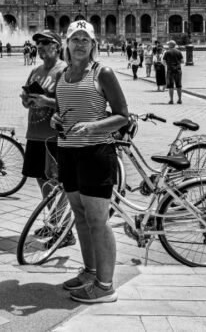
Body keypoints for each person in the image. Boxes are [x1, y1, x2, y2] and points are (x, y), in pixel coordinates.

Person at [51, 20, 130, 304]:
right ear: (67, 43)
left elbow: (123, 116)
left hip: (96, 152)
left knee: (98, 220)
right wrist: (55, 119)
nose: (80, 44)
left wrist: (94, 126)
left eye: (85, 39)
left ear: (93, 44)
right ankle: (90, 272)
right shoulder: (63, 74)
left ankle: (105, 286)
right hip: (68, 151)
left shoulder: (102, 72)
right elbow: (62, 111)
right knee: (80, 216)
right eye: (75, 39)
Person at [20, 29, 71, 245]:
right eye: (38, 43)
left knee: (58, 183)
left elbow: (70, 104)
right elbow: (28, 101)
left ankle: (65, 231)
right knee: (43, 182)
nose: (39, 46)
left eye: (44, 42)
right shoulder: (36, 71)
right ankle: (54, 222)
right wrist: (26, 100)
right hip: (35, 135)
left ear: (56, 47)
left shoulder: (64, 71)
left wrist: (46, 101)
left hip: (54, 136)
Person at [163, 40, 184, 104]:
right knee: (179, 85)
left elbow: (163, 62)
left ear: (170, 45)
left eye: (168, 44)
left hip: (170, 70)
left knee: (171, 86)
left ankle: (171, 100)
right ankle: (179, 99)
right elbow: (182, 61)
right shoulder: (179, 52)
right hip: (178, 70)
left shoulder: (167, 52)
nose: (168, 45)